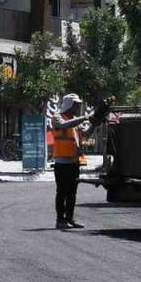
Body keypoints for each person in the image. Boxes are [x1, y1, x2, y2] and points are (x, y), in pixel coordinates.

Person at [51, 93, 90, 230]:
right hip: (62, 163)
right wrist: (83, 118)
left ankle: (70, 219)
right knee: (61, 192)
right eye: (76, 105)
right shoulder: (57, 117)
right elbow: (63, 125)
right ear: (69, 105)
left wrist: (95, 122)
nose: (78, 107)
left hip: (74, 162)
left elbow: (86, 134)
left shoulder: (76, 121)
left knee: (72, 193)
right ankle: (60, 220)